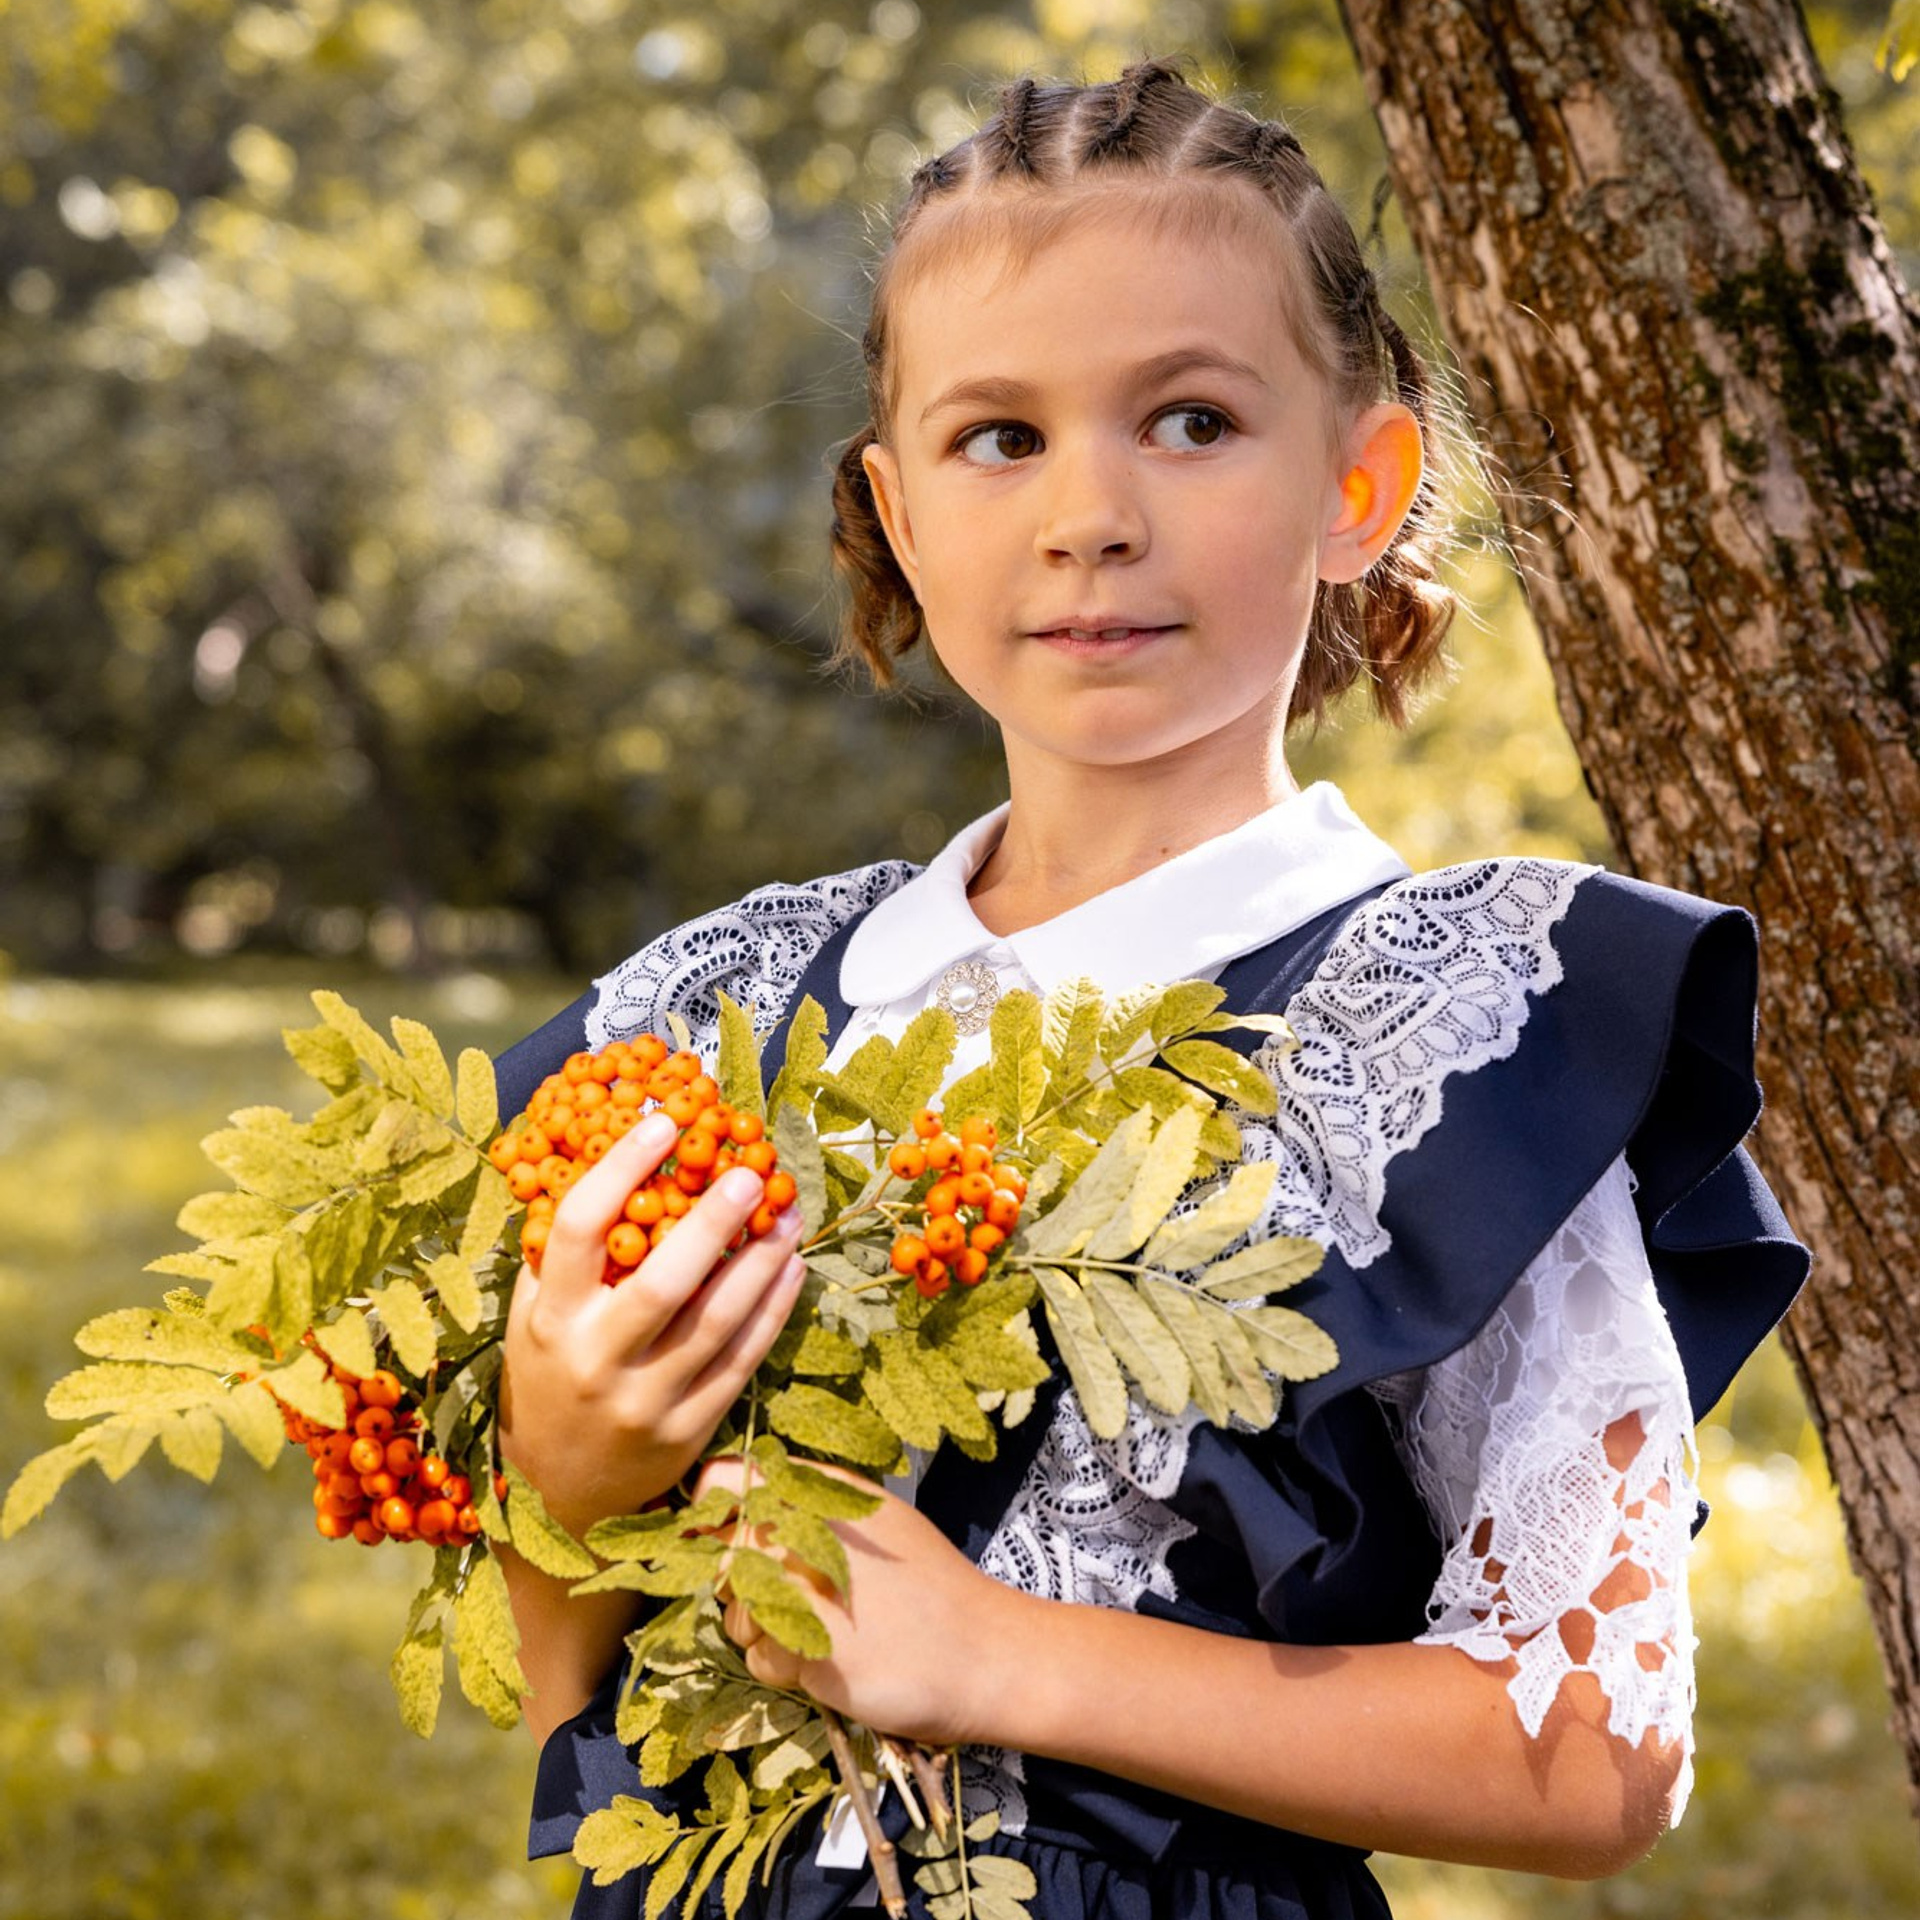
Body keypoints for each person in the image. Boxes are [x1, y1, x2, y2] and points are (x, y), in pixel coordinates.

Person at [492, 59, 1808, 1920]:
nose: (1088, 512)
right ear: (898, 510)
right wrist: (571, 1469)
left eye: (1188, 421)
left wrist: (1000, 1659)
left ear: (1360, 483)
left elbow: (1598, 1755)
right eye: (998, 439)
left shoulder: (1463, 1035)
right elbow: (586, 1706)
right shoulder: (733, 1012)